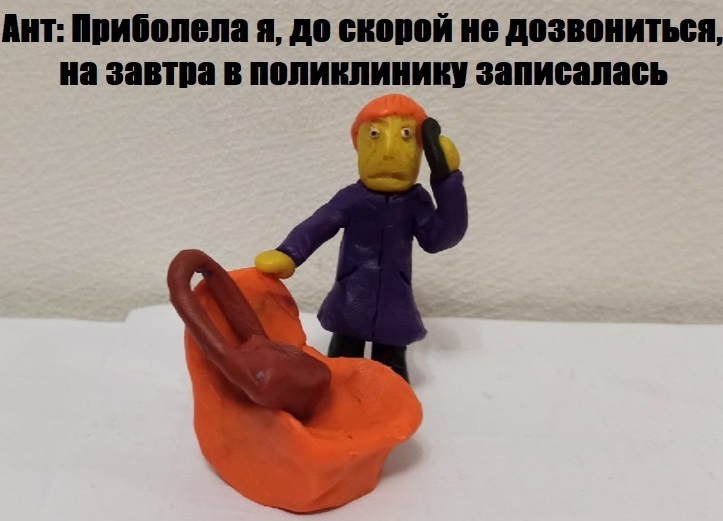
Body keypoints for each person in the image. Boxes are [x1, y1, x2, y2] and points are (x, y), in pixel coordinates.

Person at [255, 94, 467, 381]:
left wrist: (448, 180)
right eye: (375, 135)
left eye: (405, 135)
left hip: (394, 303)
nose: (389, 152)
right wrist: (289, 253)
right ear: (360, 146)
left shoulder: (415, 202)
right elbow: (318, 225)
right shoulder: (352, 198)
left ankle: (389, 400)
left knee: (390, 371)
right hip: (350, 298)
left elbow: (438, 238)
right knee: (340, 370)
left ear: (422, 150)